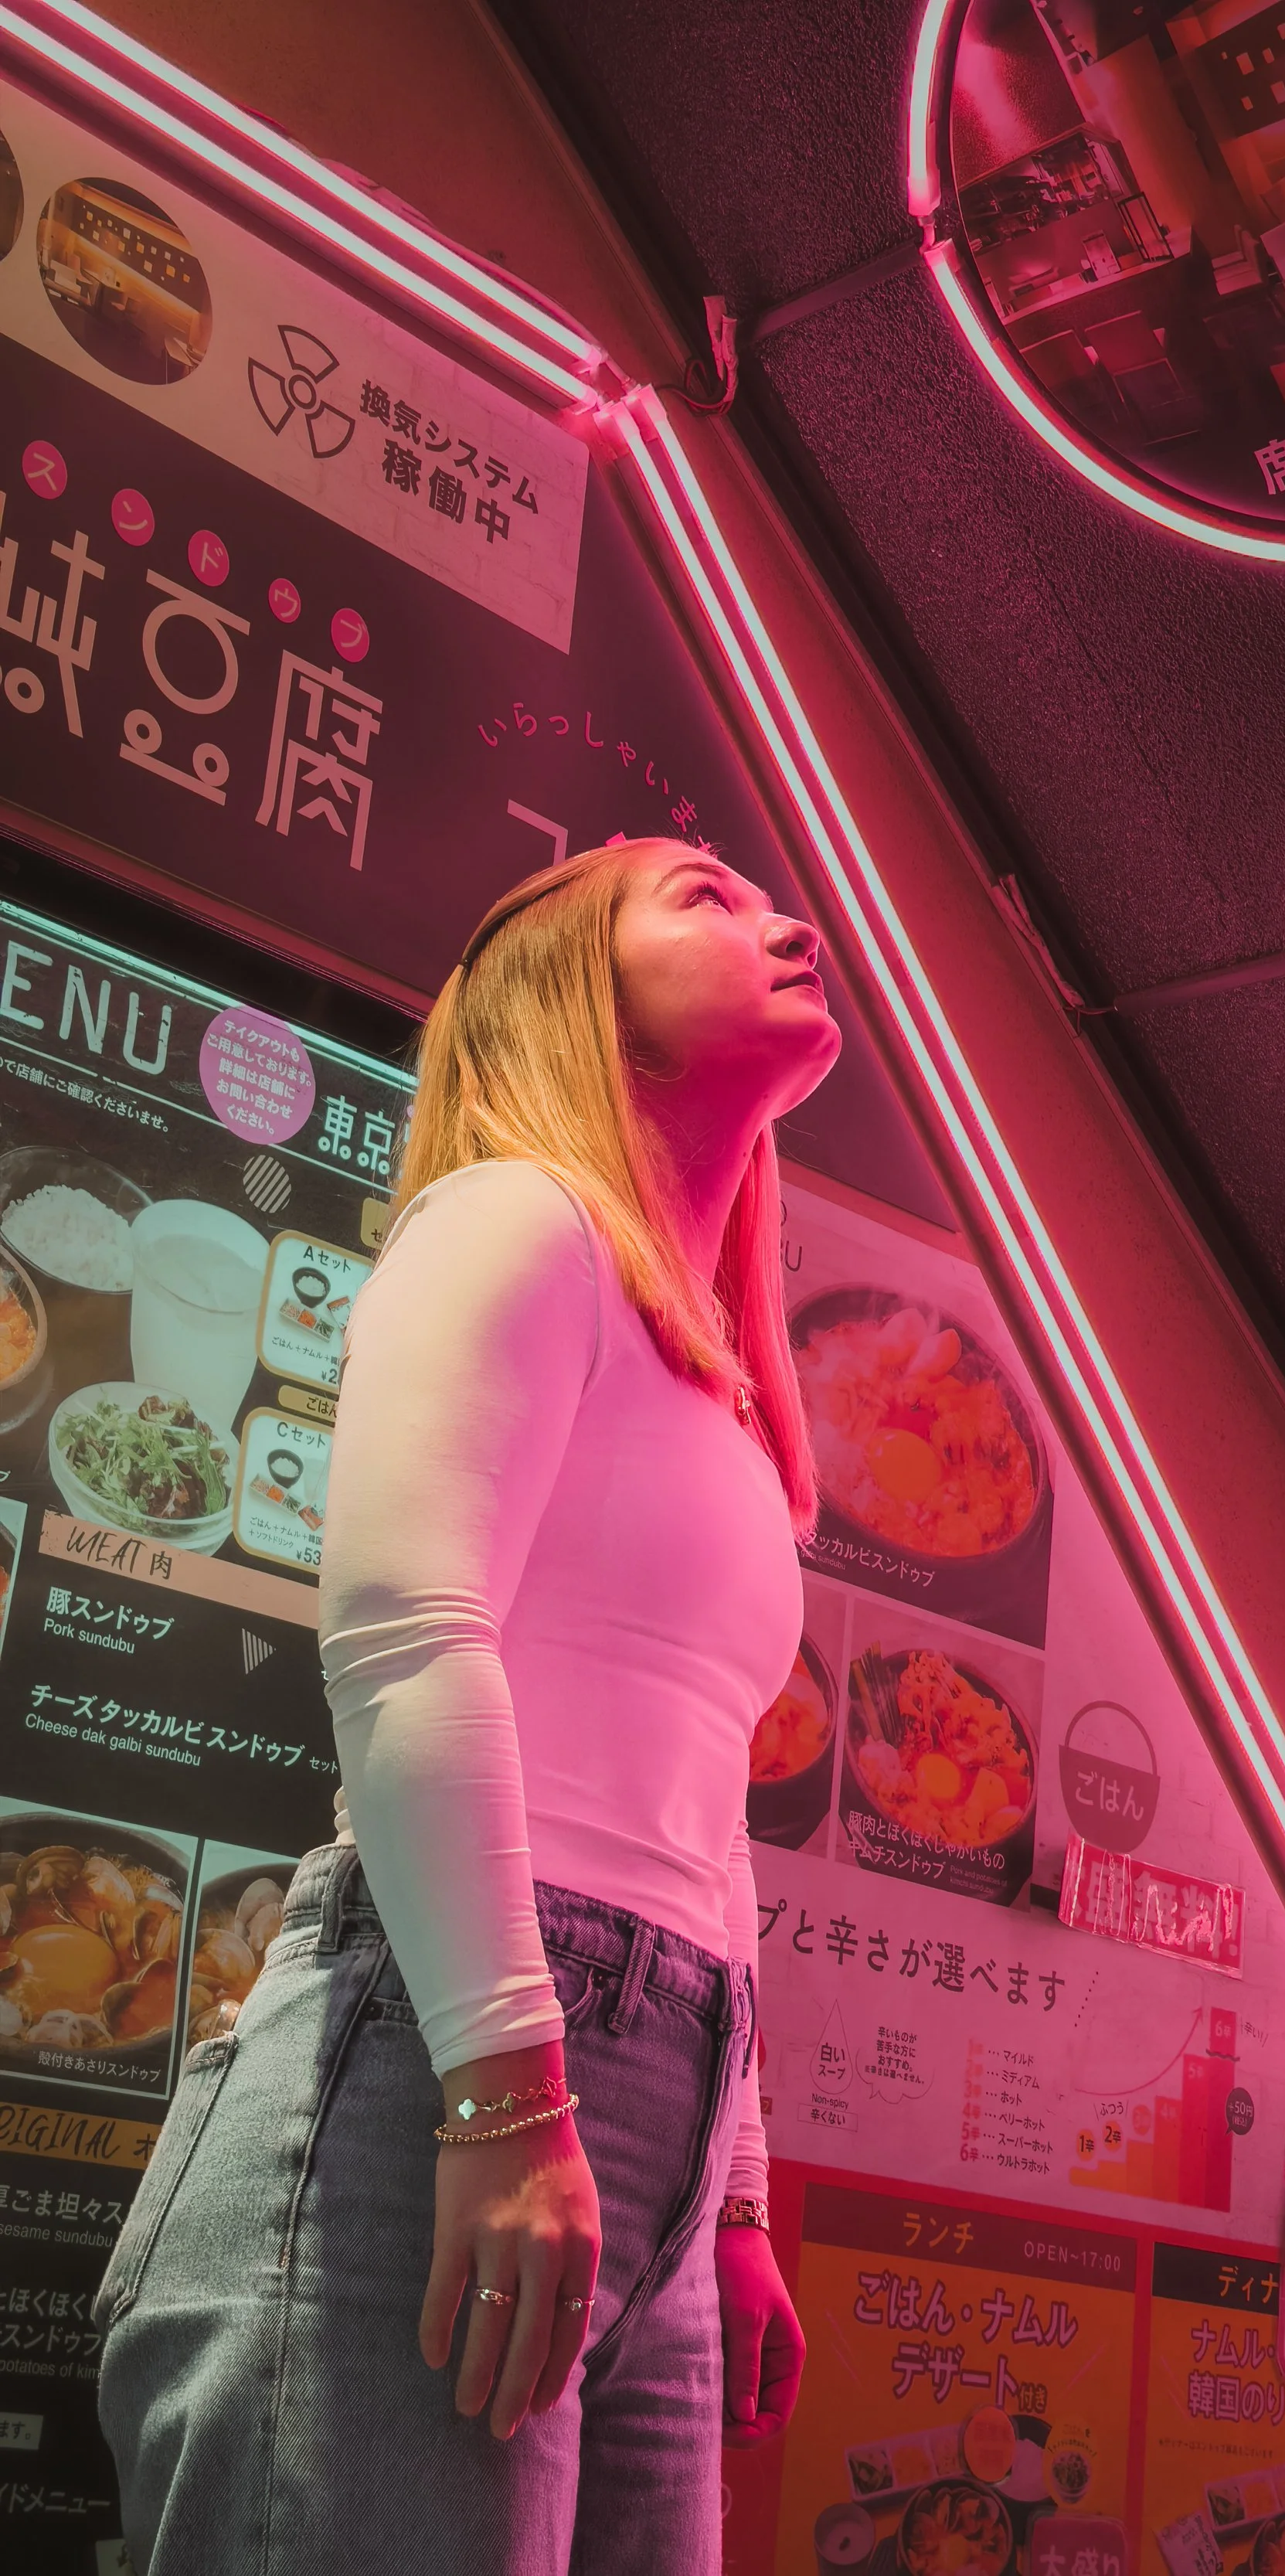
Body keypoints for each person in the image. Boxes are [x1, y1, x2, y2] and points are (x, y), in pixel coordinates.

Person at [95, 837, 841, 2574]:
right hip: (448, 2070)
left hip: (631, 2091)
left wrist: (728, 2197)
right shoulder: (514, 1217)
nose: (783, 923)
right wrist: (510, 2095)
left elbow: (704, 1807)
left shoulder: (718, 1398)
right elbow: (405, 1629)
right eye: (702, 901)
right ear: (568, 990)